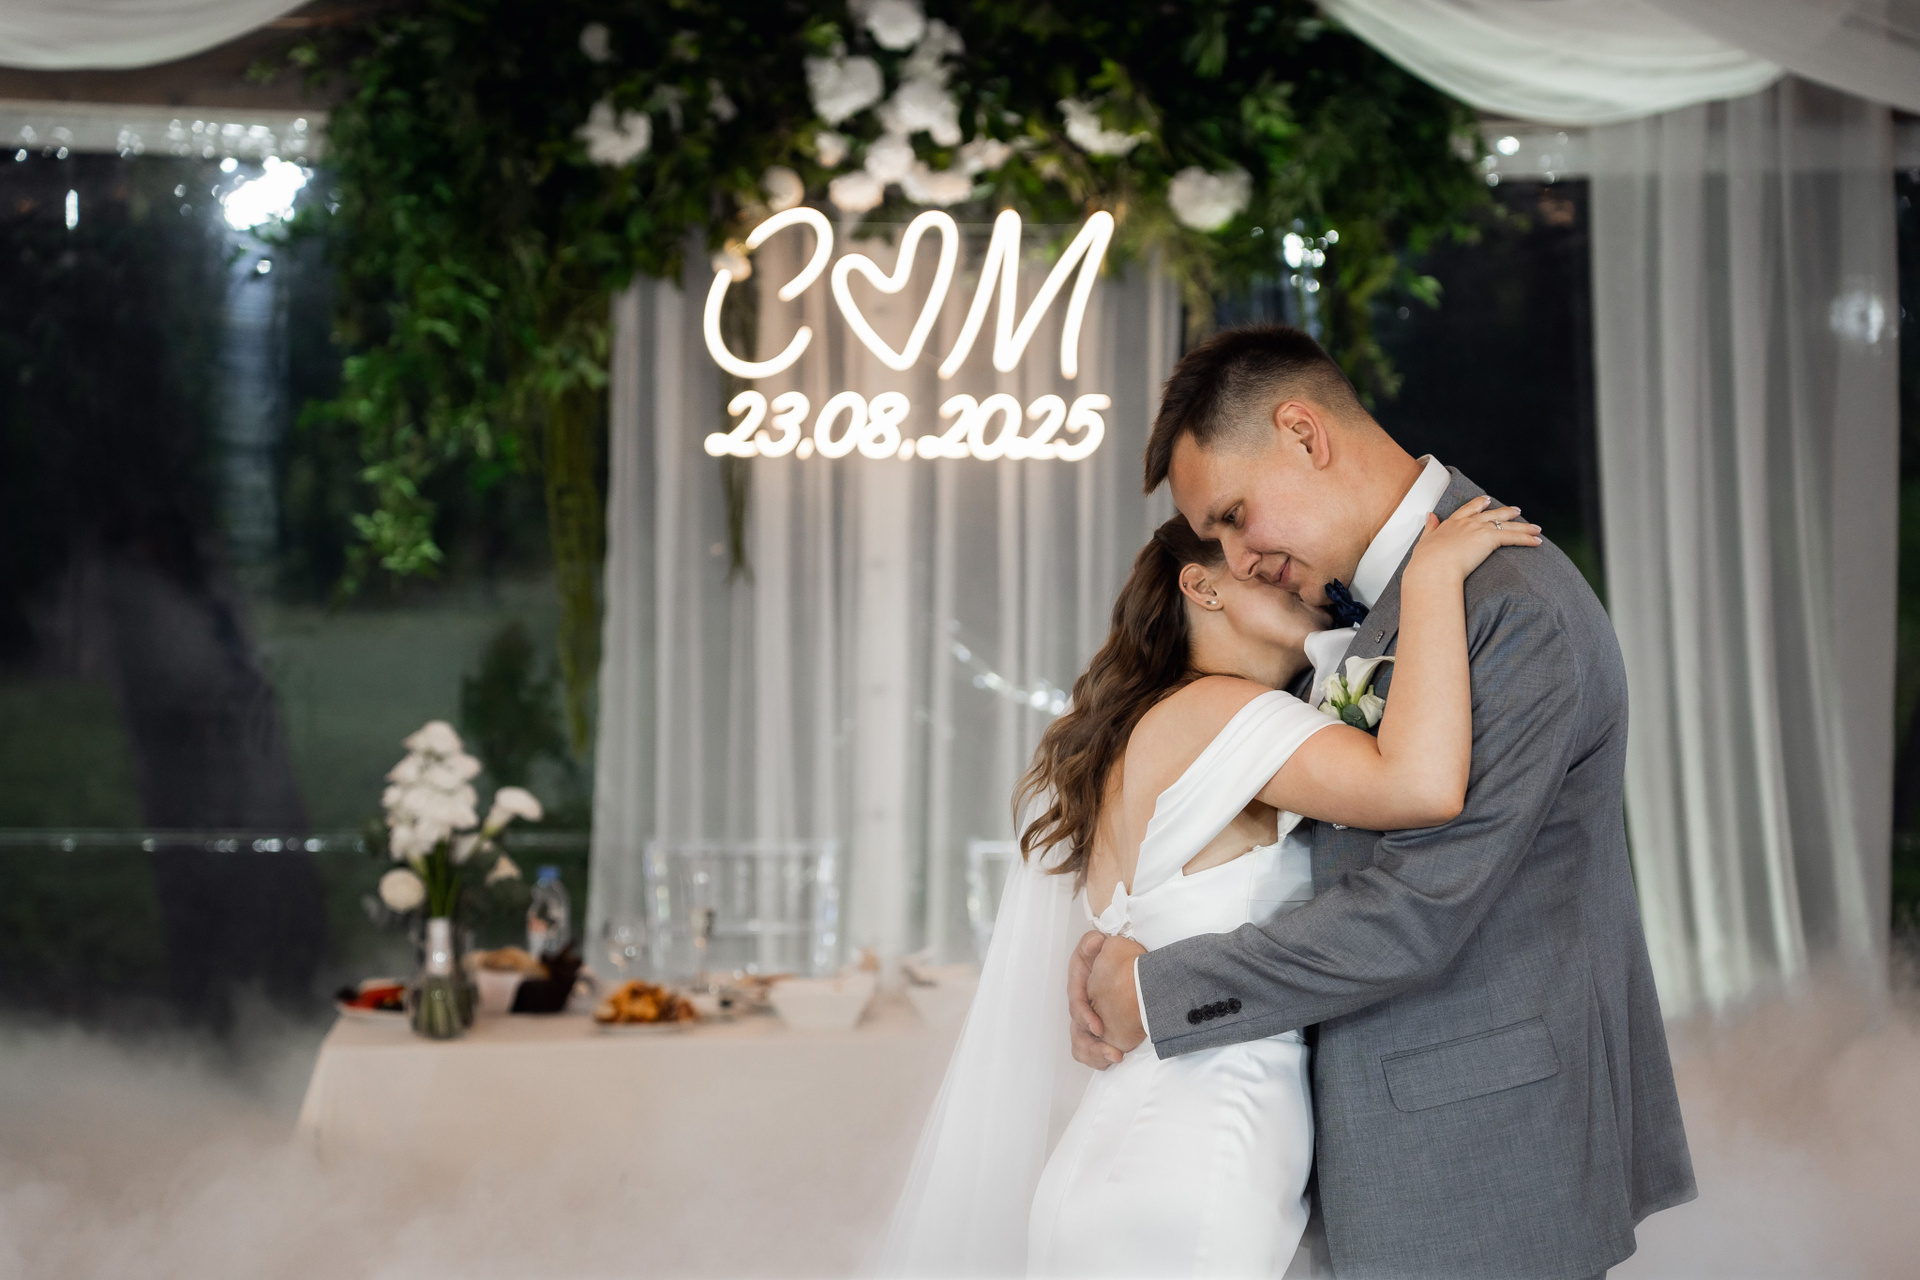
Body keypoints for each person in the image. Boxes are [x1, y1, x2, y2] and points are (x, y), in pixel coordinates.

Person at [1072, 325, 1696, 1279]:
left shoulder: (1509, 607)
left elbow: (1416, 912)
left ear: (1303, 433)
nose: (1238, 558)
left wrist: (1156, 992)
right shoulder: (1345, 615)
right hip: (1356, 1148)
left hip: (1478, 1157)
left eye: (1235, 515)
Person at [880, 428, 1542, 1273]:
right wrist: (1434, 579)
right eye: (1248, 559)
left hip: (1125, 1152)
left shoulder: (1153, 729)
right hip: (1196, 1162)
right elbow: (1420, 786)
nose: (1287, 572)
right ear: (1200, 585)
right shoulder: (1224, 712)